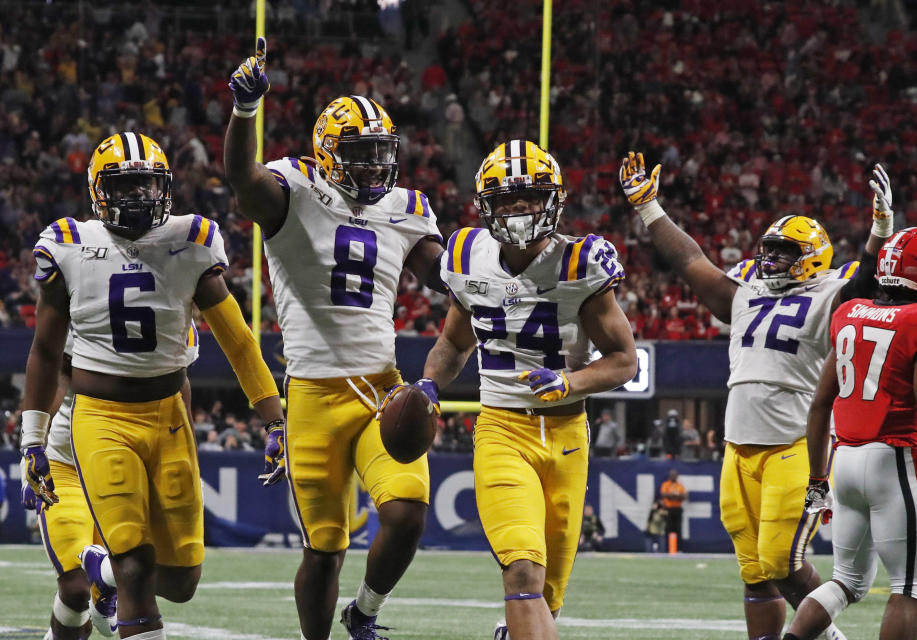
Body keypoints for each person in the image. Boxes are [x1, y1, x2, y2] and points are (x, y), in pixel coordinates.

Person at [19, 132, 285, 640]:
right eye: (126, 186)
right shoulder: (70, 244)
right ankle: (109, 567)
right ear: (99, 192)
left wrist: (274, 417)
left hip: (165, 420)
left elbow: (239, 342)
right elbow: (46, 352)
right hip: (98, 417)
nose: (139, 197)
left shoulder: (191, 242)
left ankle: (102, 564)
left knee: (182, 580)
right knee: (132, 569)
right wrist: (32, 437)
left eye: (148, 185)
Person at [620, 151, 894, 640]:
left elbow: (867, 279)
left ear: (811, 258)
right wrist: (648, 208)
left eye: (786, 251)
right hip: (737, 447)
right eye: (771, 248)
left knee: (780, 560)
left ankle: (826, 637)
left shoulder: (832, 293)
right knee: (754, 571)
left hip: (792, 444)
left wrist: (879, 229)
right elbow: (690, 261)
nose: (773, 259)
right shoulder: (748, 289)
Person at [224, 39, 446, 640]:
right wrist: (245, 112)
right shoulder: (292, 188)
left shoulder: (405, 206)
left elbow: (445, 277)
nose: (375, 166)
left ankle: (365, 611)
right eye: (360, 153)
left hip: (381, 388)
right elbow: (241, 180)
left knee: (404, 514)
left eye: (382, 153)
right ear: (327, 153)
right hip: (315, 397)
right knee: (325, 547)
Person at [411, 139, 637, 640]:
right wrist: (428, 384)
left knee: (547, 596)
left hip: (568, 435)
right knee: (522, 573)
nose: (519, 210)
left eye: (531, 198)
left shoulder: (581, 264)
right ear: (485, 206)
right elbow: (452, 344)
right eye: (507, 200)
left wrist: (569, 381)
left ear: (553, 200)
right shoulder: (468, 255)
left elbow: (625, 361)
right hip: (502, 430)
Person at [784, 226, 917, 640]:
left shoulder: (850, 312)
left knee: (846, 580)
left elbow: (819, 404)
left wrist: (817, 479)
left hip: (843, 462)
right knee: (908, 588)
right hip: (893, 460)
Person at [21, 326, 198, 640]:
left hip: (122, 464)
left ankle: (105, 576)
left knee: (154, 574)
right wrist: (33, 446)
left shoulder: (175, 311)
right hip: (67, 462)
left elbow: (179, 385)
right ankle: (104, 576)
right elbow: (55, 374)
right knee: (76, 588)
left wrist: (183, 453)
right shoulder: (87, 305)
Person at [659, 469, 687, 551]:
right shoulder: (666, 484)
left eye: (675, 475)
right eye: (672, 475)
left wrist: (672, 496)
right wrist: (675, 495)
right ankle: (668, 549)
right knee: (668, 528)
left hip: (677, 509)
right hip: (668, 509)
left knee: (678, 529)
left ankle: (679, 549)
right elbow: (663, 494)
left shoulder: (680, 485)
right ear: (669, 476)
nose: (673, 477)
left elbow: (684, 496)